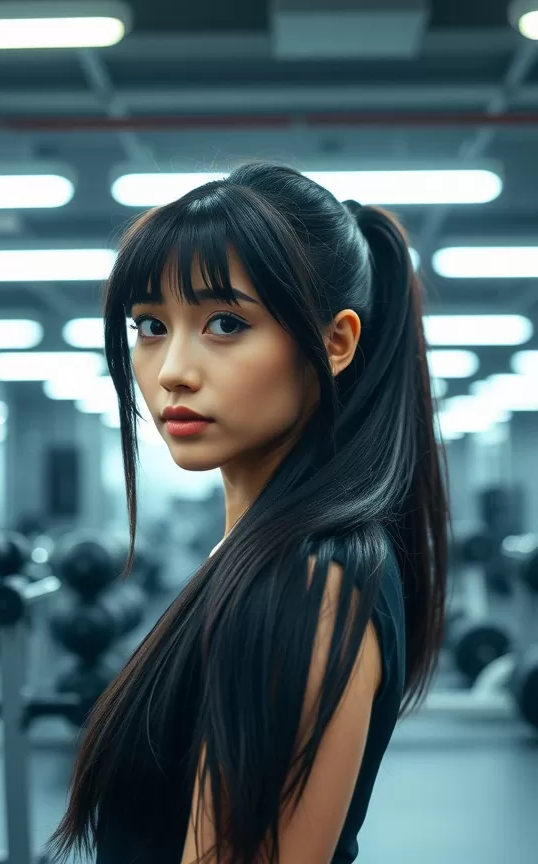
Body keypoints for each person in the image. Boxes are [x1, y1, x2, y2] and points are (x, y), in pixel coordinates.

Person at [46, 162, 449, 864]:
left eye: (225, 323)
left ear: (335, 343)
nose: (172, 370)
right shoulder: (262, 557)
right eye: (150, 325)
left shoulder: (306, 583)